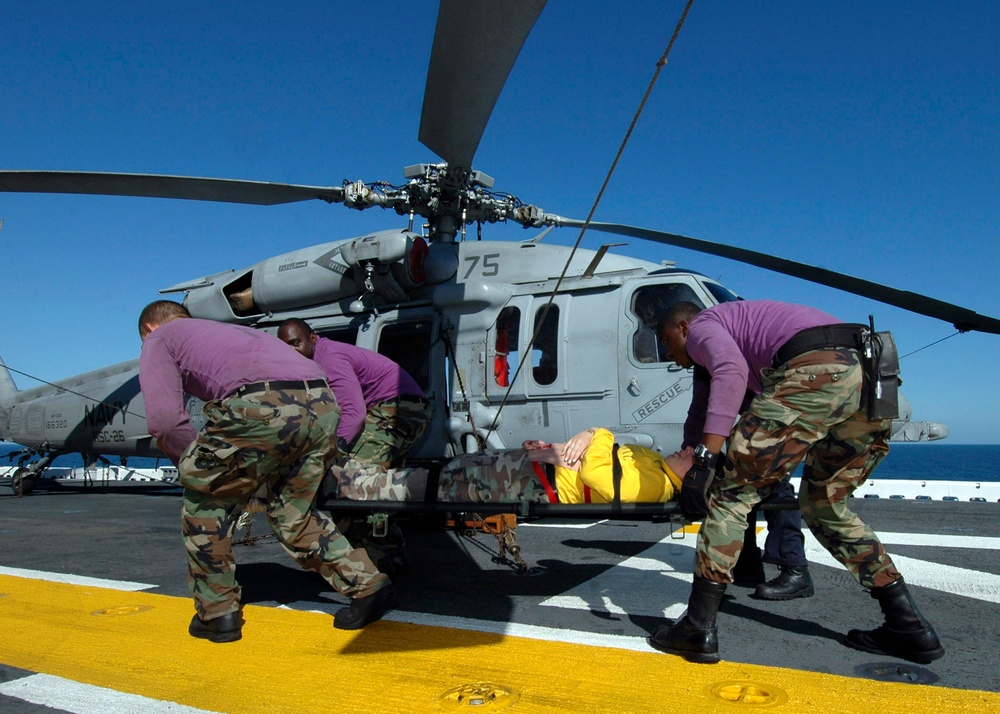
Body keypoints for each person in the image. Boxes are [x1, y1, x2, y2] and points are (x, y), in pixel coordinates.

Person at [648, 299, 943, 664]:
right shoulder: (737, 334)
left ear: (682, 329)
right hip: (870, 376)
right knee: (824, 505)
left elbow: (730, 369)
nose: (670, 355)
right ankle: (909, 627)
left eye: (666, 342)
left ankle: (696, 628)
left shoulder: (704, 325)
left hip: (815, 369)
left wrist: (707, 461)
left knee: (730, 497)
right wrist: (694, 453)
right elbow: (703, 408)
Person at [137, 300, 397, 643]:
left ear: (149, 329)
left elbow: (165, 422)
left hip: (261, 406)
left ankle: (217, 614)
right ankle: (366, 585)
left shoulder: (160, 338)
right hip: (321, 404)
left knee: (204, 506)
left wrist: (194, 470)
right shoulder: (234, 332)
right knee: (294, 511)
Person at [276, 318, 431, 469]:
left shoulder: (329, 359)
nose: (291, 352)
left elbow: (354, 412)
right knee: (381, 478)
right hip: (402, 407)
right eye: (285, 348)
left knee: (352, 470)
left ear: (313, 338)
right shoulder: (322, 356)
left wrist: (330, 450)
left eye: (296, 343)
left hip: (401, 407)